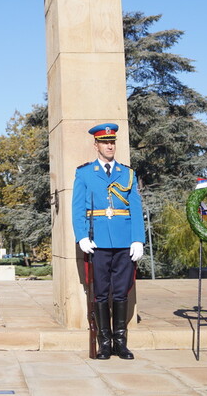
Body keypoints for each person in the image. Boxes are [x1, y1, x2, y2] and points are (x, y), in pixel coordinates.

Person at [72, 122, 145, 360]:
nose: (109, 146)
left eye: (112, 142)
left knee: (121, 292)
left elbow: (135, 208)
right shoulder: (84, 173)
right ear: (96, 146)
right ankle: (104, 342)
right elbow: (78, 208)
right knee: (101, 293)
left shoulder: (128, 173)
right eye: (105, 142)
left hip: (124, 241)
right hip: (98, 242)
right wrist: (82, 236)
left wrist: (138, 240)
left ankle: (120, 343)